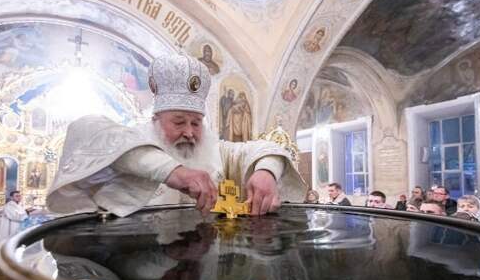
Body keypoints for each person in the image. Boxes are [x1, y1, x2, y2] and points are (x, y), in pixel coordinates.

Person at [47, 53, 305, 217]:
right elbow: (86, 129)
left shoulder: (215, 151)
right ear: (156, 120)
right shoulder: (131, 142)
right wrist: (173, 172)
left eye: (196, 123)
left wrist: (266, 172)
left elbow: (267, 148)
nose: (189, 132)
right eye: (179, 122)